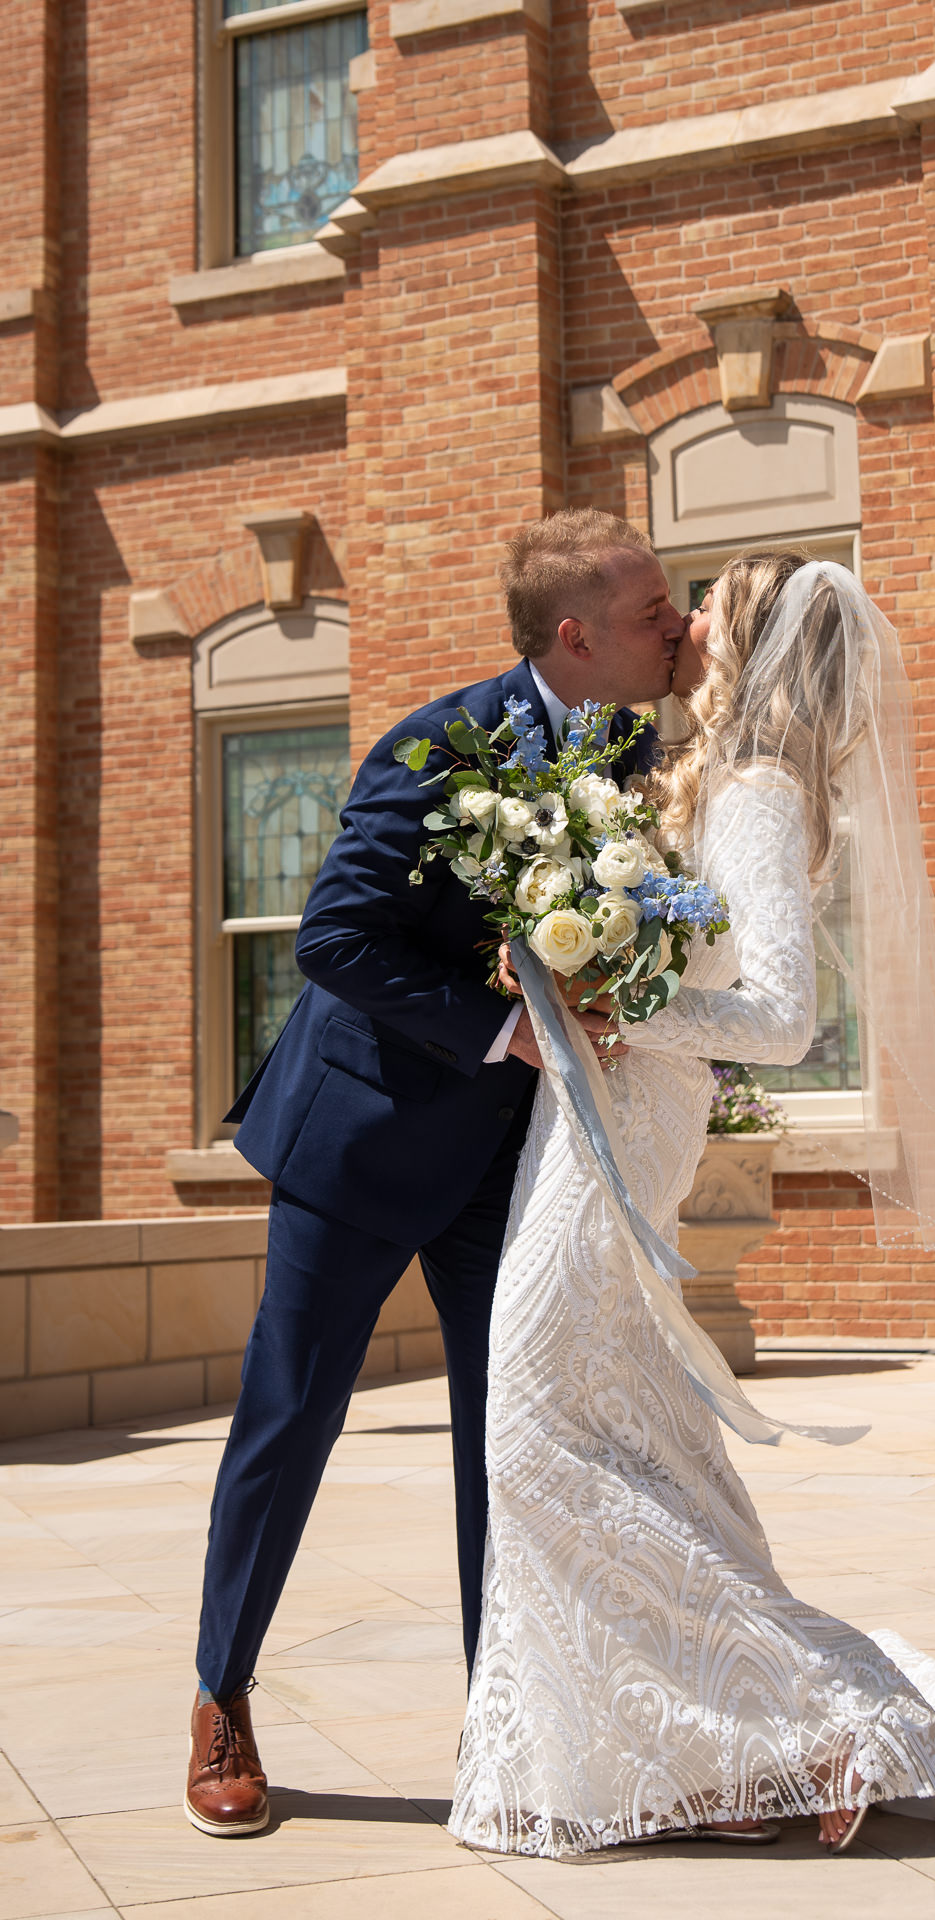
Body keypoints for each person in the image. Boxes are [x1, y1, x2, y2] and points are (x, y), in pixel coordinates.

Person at [449, 552, 935, 1859]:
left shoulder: (761, 790)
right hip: (593, 1110)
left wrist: (616, 999)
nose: (684, 621)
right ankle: (716, 1752)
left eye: (706, 604)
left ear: (751, 637)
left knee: (530, 1434)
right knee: (630, 1435)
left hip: (638, 1114)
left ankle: (817, 1725)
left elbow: (781, 1021)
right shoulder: (707, 777)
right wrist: (557, 961)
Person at [185, 509, 686, 1837]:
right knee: (289, 1421)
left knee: (505, 1442)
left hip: (503, 1161)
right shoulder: (434, 744)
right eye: (654, 614)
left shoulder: (630, 747)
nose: (676, 630)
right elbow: (334, 937)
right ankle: (220, 1697)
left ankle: (500, 1724)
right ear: (573, 635)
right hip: (357, 1141)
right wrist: (502, 1028)